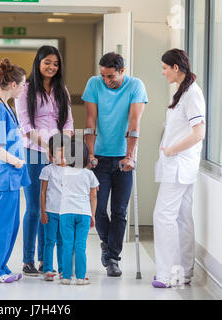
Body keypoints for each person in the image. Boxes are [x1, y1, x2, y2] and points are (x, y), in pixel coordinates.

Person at [82, 52, 148, 277]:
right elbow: (90, 120)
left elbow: (134, 122)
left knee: (119, 211)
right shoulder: (94, 84)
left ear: (122, 71)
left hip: (123, 159)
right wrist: (90, 153)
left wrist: (130, 156)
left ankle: (112, 258)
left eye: (110, 76)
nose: (106, 80)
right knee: (98, 208)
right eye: (103, 76)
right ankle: (106, 243)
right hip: (99, 157)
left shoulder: (136, 86)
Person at [15, 45, 74, 276]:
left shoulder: (62, 90)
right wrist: (46, 147)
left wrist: (61, 146)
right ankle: (28, 260)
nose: (52, 67)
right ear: (38, 62)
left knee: (50, 208)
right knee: (33, 208)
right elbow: (25, 126)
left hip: (58, 154)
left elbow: (68, 123)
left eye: (56, 63)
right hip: (33, 152)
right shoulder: (26, 90)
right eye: (47, 62)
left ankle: (44, 260)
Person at [152, 49, 206, 288]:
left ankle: (167, 274)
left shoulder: (192, 93)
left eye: (165, 68)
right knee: (183, 218)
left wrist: (172, 150)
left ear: (176, 67)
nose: (162, 72)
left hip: (179, 165)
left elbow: (199, 133)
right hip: (180, 166)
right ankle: (182, 272)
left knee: (163, 217)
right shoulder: (182, 92)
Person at [0, 58, 30, 283]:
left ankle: (1, 266)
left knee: (11, 224)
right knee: (0, 224)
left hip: (11, 177)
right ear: (13, 85)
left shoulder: (5, 106)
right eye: (23, 84)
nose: (23, 88)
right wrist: (16, 161)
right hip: (4, 176)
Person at [57, 139, 99, 285]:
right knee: (80, 245)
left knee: (67, 244)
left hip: (66, 212)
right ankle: (81, 277)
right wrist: (92, 214)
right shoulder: (89, 175)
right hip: (84, 213)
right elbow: (93, 196)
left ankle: (66, 277)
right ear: (87, 157)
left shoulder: (63, 172)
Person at [39, 133, 71, 281]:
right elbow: (43, 192)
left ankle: (64, 270)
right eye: (59, 152)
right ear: (51, 155)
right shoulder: (47, 170)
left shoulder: (73, 171)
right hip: (50, 212)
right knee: (49, 241)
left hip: (65, 213)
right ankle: (47, 269)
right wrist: (43, 212)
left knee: (63, 242)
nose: (62, 156)